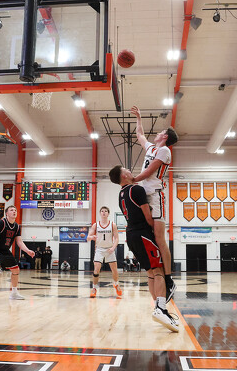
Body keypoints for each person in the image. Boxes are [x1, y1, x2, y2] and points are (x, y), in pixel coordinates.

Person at [109, 165, 179, 332]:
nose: (129, 171)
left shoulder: (121, 194)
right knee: (158, 270)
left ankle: (159, 307)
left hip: (131, 235)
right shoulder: (137, 190)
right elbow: (148, 217)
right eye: (126, 170)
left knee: (150, 272)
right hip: (142, 234)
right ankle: (160, 308)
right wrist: (156, 231)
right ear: (123, 176)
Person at [130, 106, 178, 301]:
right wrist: (139, 117)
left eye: (162, 131)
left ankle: (169, 278)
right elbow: (139, 134)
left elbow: (150, 171)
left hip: (156, 196)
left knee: (159, 238)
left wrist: (132, 180)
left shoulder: (165, 150)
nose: (158, 132)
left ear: (165, 136)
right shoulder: (151, 147)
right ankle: (156, 274)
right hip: (144, 195)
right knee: (149, 235)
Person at [87, 206, 122, 298]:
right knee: (96, 269)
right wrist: (91, 237)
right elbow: (88, 237)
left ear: (108, 213)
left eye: (105, 211)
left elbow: (117, 238)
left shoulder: (112, 225)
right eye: (102, 211)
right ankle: (94, 288)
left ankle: (116, 284)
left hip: (109, 249)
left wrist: (113, 248)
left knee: (114, 270)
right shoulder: (95, 225)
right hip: (99, 249)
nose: (103, 212)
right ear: (100, 213)